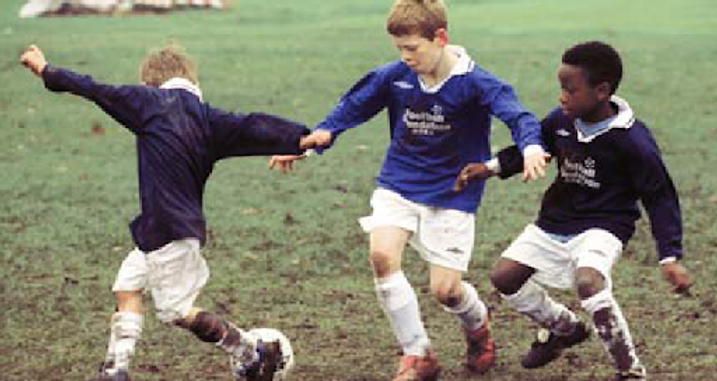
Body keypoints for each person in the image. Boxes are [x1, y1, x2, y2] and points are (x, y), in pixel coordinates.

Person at [269, 0, 548, 379]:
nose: (405, 57)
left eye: (412, 48)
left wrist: (531, 146)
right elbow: (353, 105)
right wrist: (317, 138)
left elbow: (518, 116)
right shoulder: (394, 76)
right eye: (399, 49)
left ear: (441, 38)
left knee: (446, 291)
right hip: (399, 182)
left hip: (453, 192)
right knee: (382, 257)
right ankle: (418, 354)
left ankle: (478, 327)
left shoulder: (477, 82)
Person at [20, 44, 313, 381]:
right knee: (127, 288)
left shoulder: (147, 102)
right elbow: (255, 126)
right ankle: (116, 370)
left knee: (177, 311)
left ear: (148, 84)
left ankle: (252, 352)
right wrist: (301, 140)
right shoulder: (208, 117)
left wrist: (46, 70)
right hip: (161, 229)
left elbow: (94, 88)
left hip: (168, 229)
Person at [454, 41, 692, 381]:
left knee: (589, 282)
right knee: (504, 277)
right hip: (556, 220)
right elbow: (533, 145)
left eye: (570, 89)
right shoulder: (561, 121)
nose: (562, 96)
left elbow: (660, 196)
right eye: (560, 88)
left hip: (605, 225)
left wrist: (669, 255)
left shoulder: (633, 141)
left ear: (601, 91)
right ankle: (564, 329)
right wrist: (489, 168)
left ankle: (630, 371)